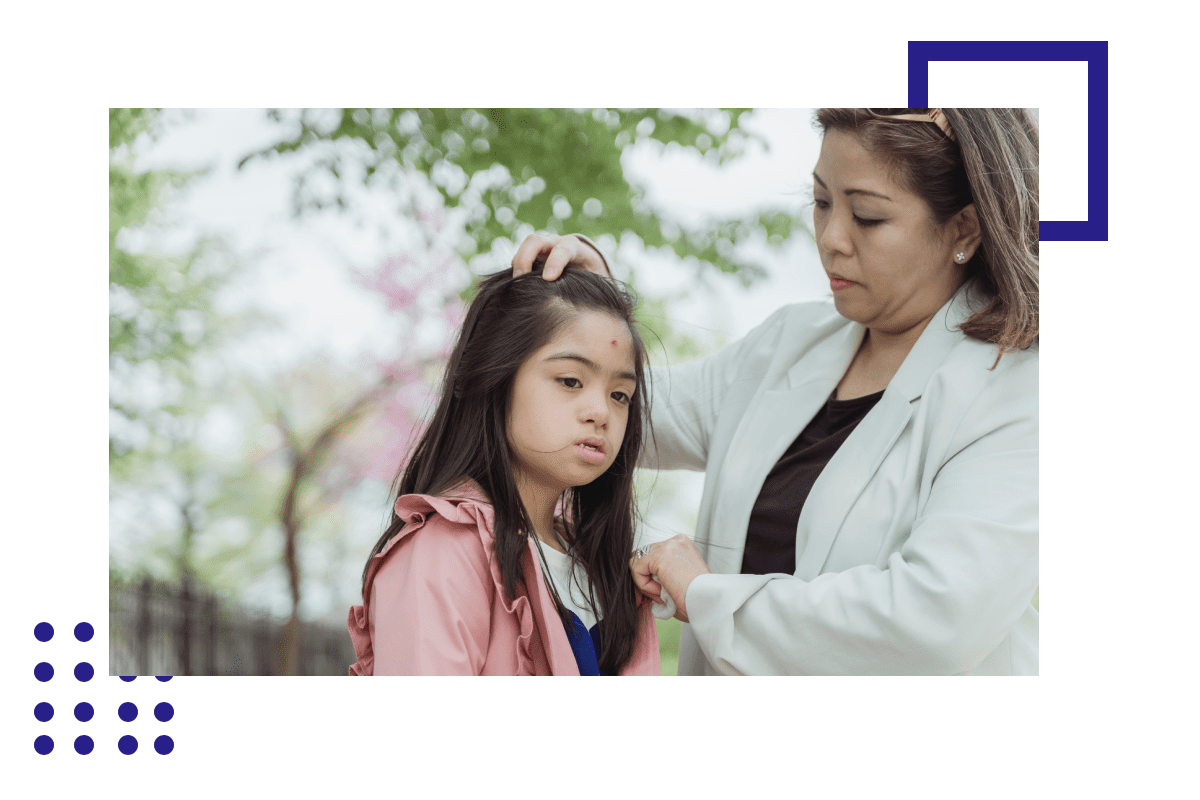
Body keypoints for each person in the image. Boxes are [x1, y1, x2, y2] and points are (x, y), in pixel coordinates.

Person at [512, 108, 1039, 675]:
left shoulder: (1016, 389)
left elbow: (937, 622)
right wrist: (586, 313)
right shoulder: (789, 343)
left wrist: (707, 597)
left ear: (963, 229)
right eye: (821, 202)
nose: (832, 238)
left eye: (867, 216)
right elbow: (620, 414)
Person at [348, 265, 660, 675]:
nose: (601, 412)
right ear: (495, 378)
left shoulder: (605, 568)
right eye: (570, 381)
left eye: (620, 394)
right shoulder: (444, 549)